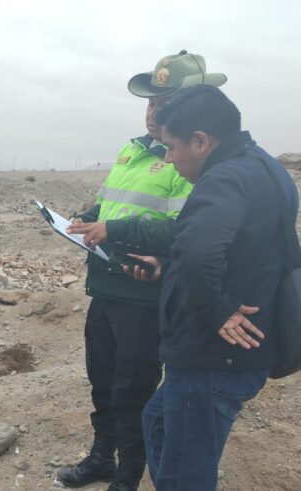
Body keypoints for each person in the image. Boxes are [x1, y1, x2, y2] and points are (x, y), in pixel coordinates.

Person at [57, 51, 227, 491]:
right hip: (106, 285)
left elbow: (182, 231)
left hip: (143, 295)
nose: (154, 112)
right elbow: (115, 201)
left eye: (164, 103)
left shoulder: (187, 160)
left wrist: (113, 228)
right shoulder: (133, 150)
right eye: (150, 103)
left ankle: (129, 474)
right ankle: (102, 458)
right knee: (102, 380)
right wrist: (88, 215)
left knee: (132, 390)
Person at [125, 85, 298, 490]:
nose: (168, 158)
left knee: (185, 472)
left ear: (201, 140)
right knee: (158, 421)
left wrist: (217, 309)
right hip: (229, 356)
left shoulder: (224, 177)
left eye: (171, 147)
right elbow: (239, 250)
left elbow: (202, 253)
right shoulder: (265, 167)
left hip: (212, 359)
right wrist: (167, 268)